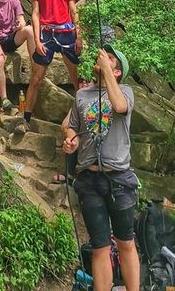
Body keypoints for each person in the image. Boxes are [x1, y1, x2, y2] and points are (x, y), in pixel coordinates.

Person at [62, 45, 140, 291]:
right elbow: (72, 125)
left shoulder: (125, 91)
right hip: (89, 179)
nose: (102, 58)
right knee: (100, 246)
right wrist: (71, 140)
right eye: (103, 56)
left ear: (117, 71)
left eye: (109, 58)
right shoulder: (82, 96)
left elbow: (118, 107)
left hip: (119, 179)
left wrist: (106, 71)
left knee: (125, 242)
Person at [16, 0, 82, 134]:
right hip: (47, 33)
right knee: (36, 79)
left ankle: (78, 118)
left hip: (66, 32)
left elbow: (74, 10)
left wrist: (79, 35)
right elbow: (35, 13)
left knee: (77, 79)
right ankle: (25, 119)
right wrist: (36, 40)